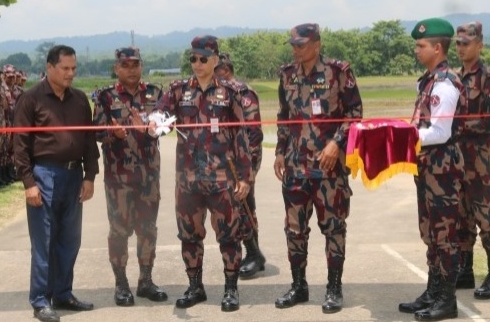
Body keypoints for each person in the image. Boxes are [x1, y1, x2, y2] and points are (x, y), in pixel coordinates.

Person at [149, 35, 252, 312]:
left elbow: (241, 136)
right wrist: (155, 123)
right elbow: (161, 114)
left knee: (229, 237)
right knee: (189, 236)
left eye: (203, 58)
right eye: (193, 58)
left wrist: (245, 177)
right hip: (188, 180)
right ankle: (195, 287)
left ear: (215, 59)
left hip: (222, 178)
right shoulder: (178, 89)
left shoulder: (231, 92)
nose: (197, 63)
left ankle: (231, 290)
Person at [273, 23, 362, 314]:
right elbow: (284, 117)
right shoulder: (287, 75)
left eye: (301, 44)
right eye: (294, 45)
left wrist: (337, 144)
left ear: (317, 45)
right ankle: (299, 286)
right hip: (297, 167)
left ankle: (334, 288)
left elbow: (354, 114)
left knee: (333, 228)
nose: (296, 49)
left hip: (328, 167)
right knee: (294, 230)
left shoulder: (338, 73)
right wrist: (279, 152)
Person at [13, 45, 100, 322]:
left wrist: (90, 176)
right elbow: (20, 145)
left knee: (70, 240)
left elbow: (88, 141)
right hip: (44, 175)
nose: (71, 74)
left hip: (74, 176)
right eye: (65, 68)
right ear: (50, 67)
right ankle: (40, 300)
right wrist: (29, 182)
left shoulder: (79, 99)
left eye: (73, 68)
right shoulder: (31, 99)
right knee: (44, 242)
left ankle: (63, 293)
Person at [397, 18, 467, 321]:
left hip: (443, 170)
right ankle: (433, 291)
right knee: (430, 233)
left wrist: (401, 137)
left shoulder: (445, 83)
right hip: (427, 168)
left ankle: (446, 300)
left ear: (437, 48)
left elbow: (439, 132)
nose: (416, 49)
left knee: (445, 236)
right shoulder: (427, 81)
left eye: (421, 45)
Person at [93, 46, 167, 306]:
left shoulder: (156, 93)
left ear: (141, 66)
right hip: (118, 178)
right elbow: (96, 132)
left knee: (148, 229)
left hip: (149, 176)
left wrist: (150, 130)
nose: (131, 69)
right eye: (125, 65)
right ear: (117, 68)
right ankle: (121, 284)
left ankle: (145, 281)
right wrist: (114, 134)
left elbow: (166, 127)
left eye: (135, 64)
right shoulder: (105, 96)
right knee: (119, 231)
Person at [454, 21, 490, 299]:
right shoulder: (454, 78)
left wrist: (460, 125)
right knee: (462, 218)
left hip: (481, 164)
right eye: (458, 43)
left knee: (485, 218)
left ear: (480, 44)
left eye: (467, 43)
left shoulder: (489, 78)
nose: (461, 48)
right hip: (458, 161)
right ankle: (465, 270)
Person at [214, 53, 266, 279]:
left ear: (226, 69)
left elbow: (254, 134)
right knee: (231, 208)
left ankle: (254, 254)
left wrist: (247, 171)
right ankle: (250, 253)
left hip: (243, 160)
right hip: (222, 160)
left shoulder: (244, 93)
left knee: (244, 204)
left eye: (217, 70)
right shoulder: (215, 92)